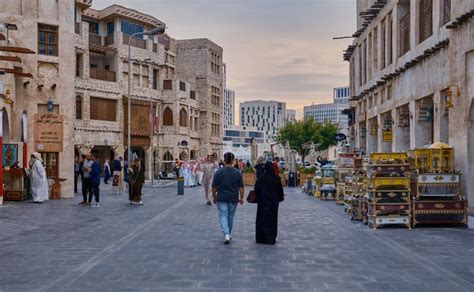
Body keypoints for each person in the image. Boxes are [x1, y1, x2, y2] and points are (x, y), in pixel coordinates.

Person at [212, 152, 244, 244]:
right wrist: (241, 197)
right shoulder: (237, 172)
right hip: (233, 197)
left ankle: (226, 233)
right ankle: (228, 233)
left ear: (224, 160)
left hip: (221, 196)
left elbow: (214, 186)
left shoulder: (219, 172)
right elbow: (241, 187)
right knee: (230, 216)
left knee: (223, 215)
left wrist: (214, 196)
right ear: (233, 160)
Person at [254, 161, 284, 244]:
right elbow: (280, 190)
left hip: (262, 201)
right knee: (272, 219)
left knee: (262, 219)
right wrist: (279, 198)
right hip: (273, 202)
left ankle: (261, 238)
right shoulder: (276, 178)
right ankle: (271, 238)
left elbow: (256, 188)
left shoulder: (261, 178)